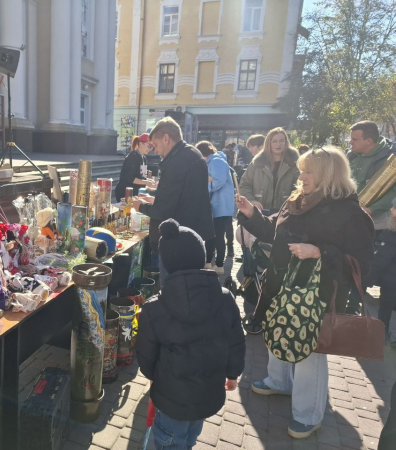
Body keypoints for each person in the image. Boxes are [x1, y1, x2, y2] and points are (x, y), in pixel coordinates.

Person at [236, 146, 374, 439]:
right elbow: (277, 230)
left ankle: (308, 414)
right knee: (278, 328)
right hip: (283, 284)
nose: (302, 176)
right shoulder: (299, 199)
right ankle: (279, 380)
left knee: (310, 351)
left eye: (308, 171)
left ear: (328, 175)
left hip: (318, 294)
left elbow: (361, 263)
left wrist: (319, 252)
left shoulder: (349, 212)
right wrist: (251, 215)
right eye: (302, 169)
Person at [136, 218, 245, 450]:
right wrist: (233, 373)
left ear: (166, 262)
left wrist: (153, 375)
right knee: (189, 437)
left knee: (169, 441)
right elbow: (236, 341)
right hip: (207, 395)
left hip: (170, 398)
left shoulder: (154, 308)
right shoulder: (225, 298)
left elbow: (146, 354)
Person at [132, 117, 215, 287]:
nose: (155, 150)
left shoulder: (177, 161)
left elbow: (163, 210)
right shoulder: (192, 153)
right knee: (188, 289)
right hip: (193, 236)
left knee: (172, 290)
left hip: (177, 242)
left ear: (166, 138)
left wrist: (141, 206)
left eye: (155, 145)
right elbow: (184, 196)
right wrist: (156, 199)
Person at [348, 120, 396, 230]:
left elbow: (394, 192)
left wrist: (371, 210)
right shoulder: (351, 156)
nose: (350, 142)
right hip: (350, 219)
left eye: (354, 139)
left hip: (378, 225)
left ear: (368, 141)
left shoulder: (390, 158)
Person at [239, 127, 300, 213]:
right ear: (268, 143)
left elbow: (301, 187)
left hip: (285, 214)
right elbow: (244, 184)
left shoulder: (295, 164)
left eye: (281, 141)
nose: (278, 144)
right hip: (259, 213)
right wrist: (251, 200)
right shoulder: (256, 163)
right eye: (274, 141)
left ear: (286, 142)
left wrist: (291, 202)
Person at [196, 141, 235, 275]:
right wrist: (207, 179)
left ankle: (219, 265)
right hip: (217, 204)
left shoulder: (217, 161)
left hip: (222, 205)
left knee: (218, 236)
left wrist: (205, 184)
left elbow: (218, 180)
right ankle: (208, 262)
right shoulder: (213, 161)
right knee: (211, 235)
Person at [367, 198, 396, 344]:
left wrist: (368, 279)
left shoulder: (390, 235)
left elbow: (381, 260)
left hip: (391, 282)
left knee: (385, 308)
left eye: (394, 208)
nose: (391, 210)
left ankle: (382, 334)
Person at [114, 133, 152, 202]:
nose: (150, 149)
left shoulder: (144, 158)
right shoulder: (133, 157)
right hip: (125, 192)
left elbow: (142, 176)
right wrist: (147, 182)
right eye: (149, 146)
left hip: (135, 192)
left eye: (152, 147)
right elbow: (131, 178)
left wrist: (150, 181)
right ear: (141, 144)